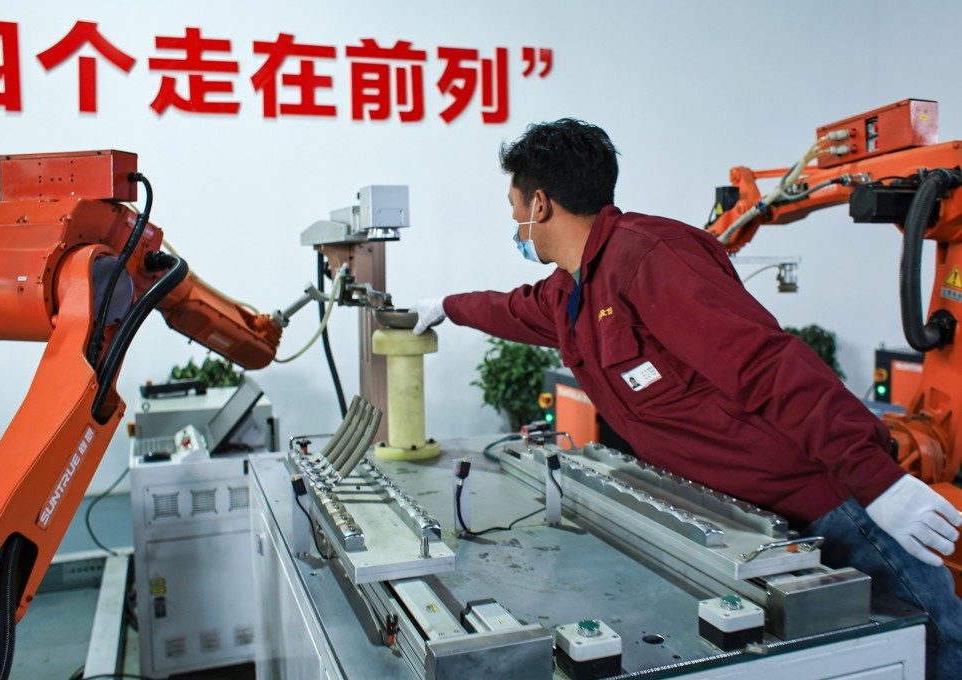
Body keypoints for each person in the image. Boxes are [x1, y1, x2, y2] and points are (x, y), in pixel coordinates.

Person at [410, 118, 962, 679]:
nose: (516, 226)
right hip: (748, 525)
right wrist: (446, 307)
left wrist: (877, 480)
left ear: (540, 203)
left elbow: (765, 362)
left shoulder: (651, 257)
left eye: (514, 209)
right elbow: (513, 308)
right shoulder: (573, 286)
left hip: (829, 507)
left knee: (938, 648)